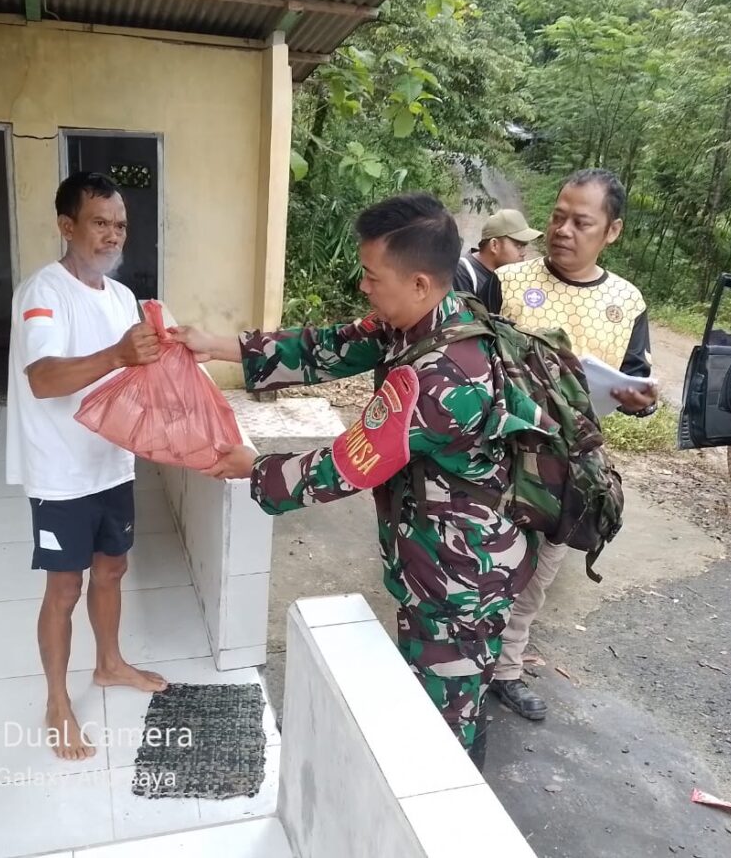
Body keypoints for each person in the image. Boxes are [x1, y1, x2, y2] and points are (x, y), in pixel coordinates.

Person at [173, 193, 545, 766]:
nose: (364, 287)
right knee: (432, 688)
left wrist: (257, 469)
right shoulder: (420, 320)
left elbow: (349, 464)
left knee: (447, 722)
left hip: (461, 575)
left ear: (419, 282)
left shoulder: (444, 375)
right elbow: (325, 348)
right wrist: (214, 346)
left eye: (373, 277)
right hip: (431, 555)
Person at [6, 171, 169, 760]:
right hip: (60, 470)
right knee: (65, 586)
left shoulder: (123, 299)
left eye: (120, 225)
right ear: (67, 226)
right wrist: (118, 353)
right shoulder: (42, 293)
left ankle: (108, 664)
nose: (112, 235)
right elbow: (45, 378)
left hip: (112, 464)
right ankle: (56, 700)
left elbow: (141, 371)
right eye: (100, 222)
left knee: (112, 570)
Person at [489, 168, 656, 722]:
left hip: (568, 466)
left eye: (581, 222)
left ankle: (505, 670)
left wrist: (640, 399)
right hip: (494, 449)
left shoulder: (626, 302)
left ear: (612, 231)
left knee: (536, 573)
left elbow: (637, 379)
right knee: (471, 558)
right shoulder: (508, 282)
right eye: (558, 216)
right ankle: (450, 656)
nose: (563, 230)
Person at [452, 209, 542, 314]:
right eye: (518, 246)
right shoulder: (462, 273)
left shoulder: (510, 275)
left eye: (524, 246)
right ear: (494, 245)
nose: (524, 253)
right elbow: (465, 323)